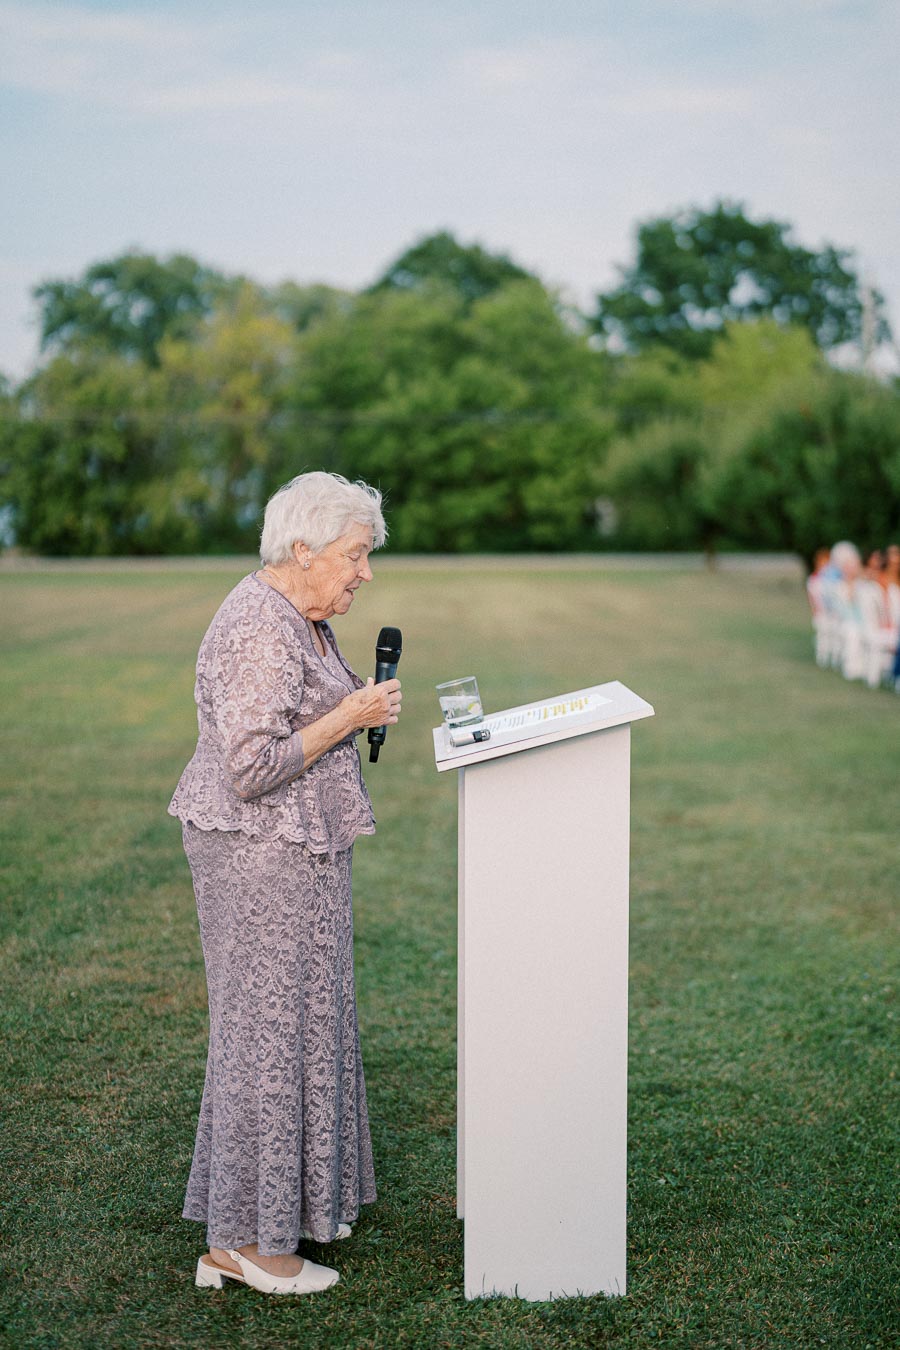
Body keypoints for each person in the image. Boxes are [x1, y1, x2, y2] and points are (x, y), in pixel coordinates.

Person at [168, 471, 402, 1296]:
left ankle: (270, 1222)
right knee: (264, 1039)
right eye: (354, 555)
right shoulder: (258, 628)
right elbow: (250, 767)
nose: (364, 574)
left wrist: (353, 706)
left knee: (296, 1030)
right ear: (301, 549)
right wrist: (354, 715)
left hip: (297, 850)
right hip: (257, 856)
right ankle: (248, 1247)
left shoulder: (299, 615)